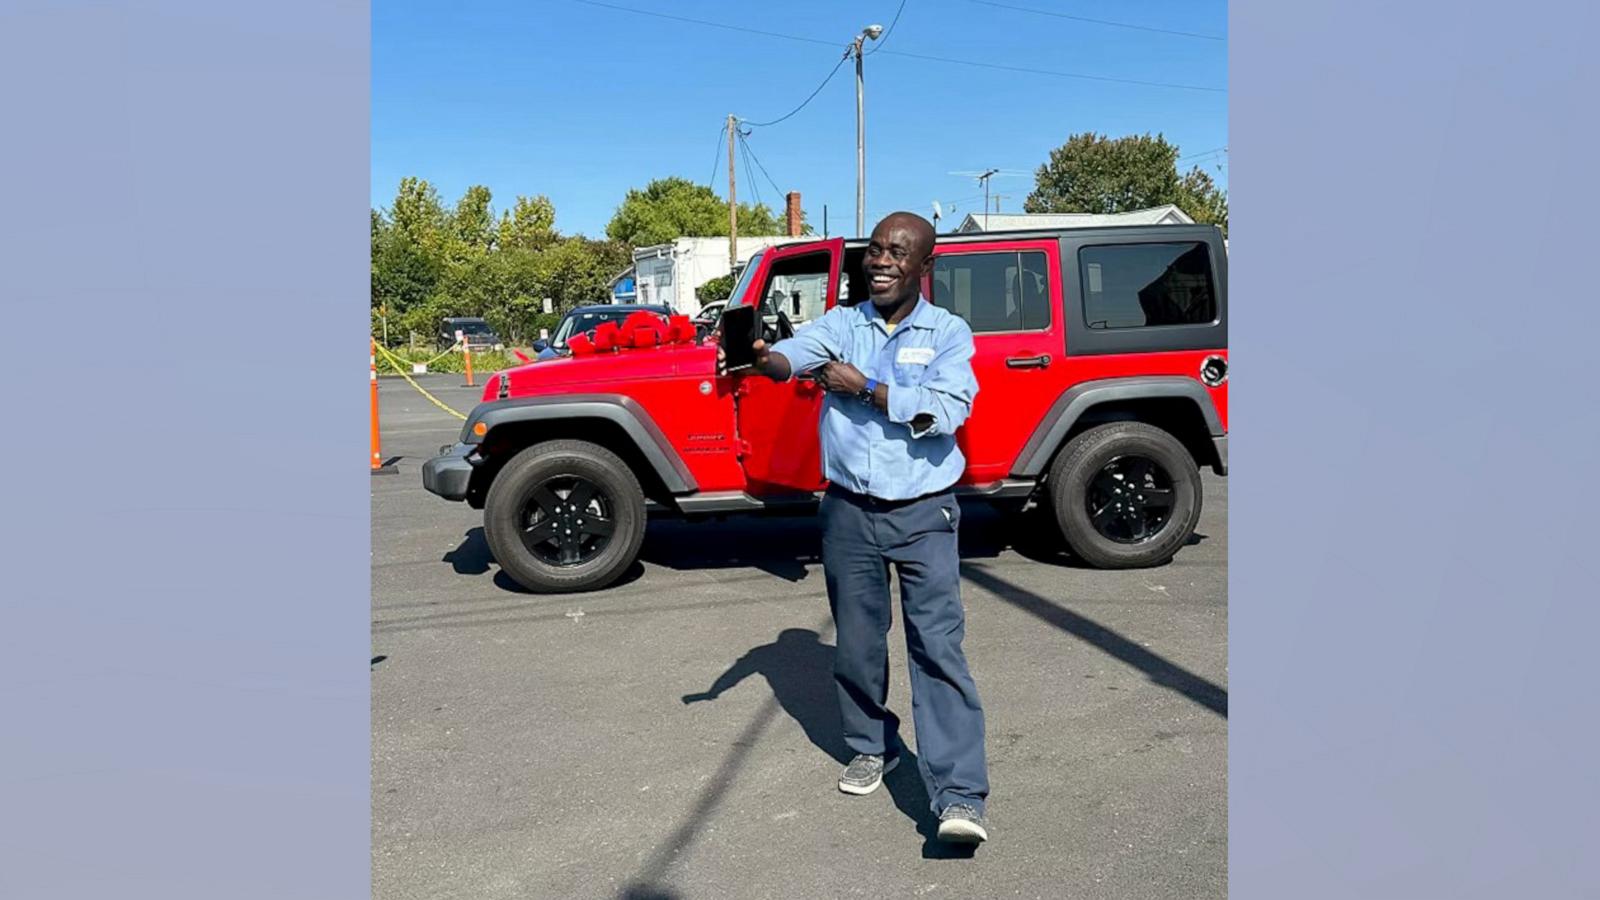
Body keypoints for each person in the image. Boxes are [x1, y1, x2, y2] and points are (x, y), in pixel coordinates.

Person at [717, 212, 990, 845]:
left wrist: (868, 388)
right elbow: (792, 359)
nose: (882, 261)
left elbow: (951, 410)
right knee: (858, 643)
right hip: (847, 511)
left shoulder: (949, 334)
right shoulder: (842, 325)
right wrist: (761, 359)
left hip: (925, 513)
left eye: (899, 253)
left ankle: (960, 796)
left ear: (925, 267)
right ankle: (873, 745)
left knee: (938, 649)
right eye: (875, 251)